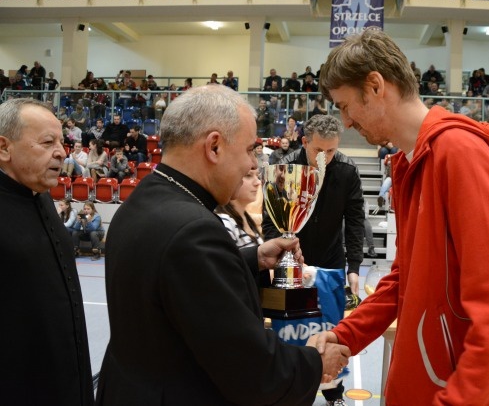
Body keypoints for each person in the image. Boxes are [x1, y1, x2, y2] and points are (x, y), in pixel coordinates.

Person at [315, 29, 489, 405]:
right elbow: (406, 276)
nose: (346, 122)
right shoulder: (408, 163)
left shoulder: (459, 152)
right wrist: (346, 335)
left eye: (344, 105)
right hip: (425, 384)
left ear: (374, 86)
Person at [96, 85, 350, 405]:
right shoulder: (194, 230)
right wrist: (315, 362)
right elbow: (253, 371)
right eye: (247, 150)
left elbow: (176, 282)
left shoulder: (144, 201)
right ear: (214, 146)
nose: (250, 165)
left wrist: (252, 258)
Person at [262, 114, 365, 406]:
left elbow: (355, 220)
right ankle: (288, 392)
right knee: (290, 331)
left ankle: (334, 393)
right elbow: (271, 218)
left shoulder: (346, 170)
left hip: (331, 264)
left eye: (332, 150)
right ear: (305, 141)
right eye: (320, 150)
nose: (327, 157)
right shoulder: (282, 167)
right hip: (291, 263)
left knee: (329, 333)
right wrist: (282, 256)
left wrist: (354, 267)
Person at [0, 98, 93, 405]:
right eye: (47, 142)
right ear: (4, 148)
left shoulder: (39, 195)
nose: (61, 152)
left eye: (62, 141)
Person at [216, 169, 264, 250]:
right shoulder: (225, 223)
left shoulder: (245, 217)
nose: (258, 182)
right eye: (248, 175)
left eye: (257, 176)